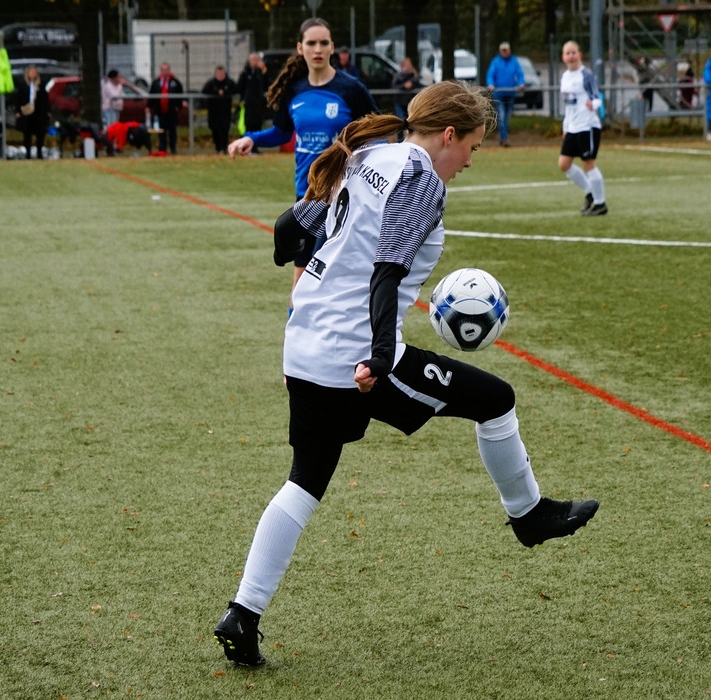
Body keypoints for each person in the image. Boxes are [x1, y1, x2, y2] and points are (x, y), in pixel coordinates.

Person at [212, 81, 600, 667]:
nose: (471, 159)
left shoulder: (368, 154)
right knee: (496, 399)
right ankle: (529, 515)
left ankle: (243, 614)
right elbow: (387, 273)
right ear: (448, 135)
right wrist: (374, 356)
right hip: (358, 355)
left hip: (306, 344)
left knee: (305, 480)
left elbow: (289, 233)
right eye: (472, 145)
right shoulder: (420, 177)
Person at [227, 18, 378, 300]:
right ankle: (296, 339)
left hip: (342, 197)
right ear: (300, 48)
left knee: (327, 281)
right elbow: (282, 132)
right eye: (311, 43)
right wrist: (252, 138)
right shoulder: (294, 90)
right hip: (306, 195)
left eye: (323, 42)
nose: (317, 48)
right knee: (301, 284)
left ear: (332, 47)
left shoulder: (351, 89)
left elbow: (378, 133)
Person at [558, 41, 607, 216]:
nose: (571, 56)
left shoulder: (586, 75)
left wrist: (592, 104)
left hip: (587, 126)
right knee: (564, 164)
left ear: (579, 55)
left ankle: (601, 204)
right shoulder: (564, 77)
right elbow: (569, 107)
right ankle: (590, 193)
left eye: (574, 52)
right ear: (563, 57)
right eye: (567, 53)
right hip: (572, 127)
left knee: (588, 164)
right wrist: (565, 126)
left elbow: (598, 99)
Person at [485, 42, 525, 147]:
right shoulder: (496, 62)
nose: (504, 52)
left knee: (506, 119)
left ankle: (504, 138)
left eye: (506, 50)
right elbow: (490, 75)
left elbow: (519, 73)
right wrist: (490, 84)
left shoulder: (514, 61)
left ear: (509, 50)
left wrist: (521, 83)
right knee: (502, 117)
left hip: (510, 93)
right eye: (503, 50)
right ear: (500, 51)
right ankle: (504, 139)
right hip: (499, 94)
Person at [149, 63, 185, 155]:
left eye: (166, 70)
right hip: (160, 111)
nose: (165, 72)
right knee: (161, 131)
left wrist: (178, 106)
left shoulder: (175, 82)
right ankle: (162, 148)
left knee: (172, 131)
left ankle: (173, 148)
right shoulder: (156, 82)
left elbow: (180, 95)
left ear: (169, 70)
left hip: (172, 111)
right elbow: (151, 95)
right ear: (161, 71)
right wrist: (149, 107)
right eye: (163, 70)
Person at [201, 65, 238, 154]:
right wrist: (216, 93)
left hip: (225, 112)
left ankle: (223, 148)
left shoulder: (229, 82)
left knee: (224, 130)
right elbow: (204, 91)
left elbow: (236, 90)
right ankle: (218, 148)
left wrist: (225, 93)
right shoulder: (211, 83)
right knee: (215, 129)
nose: (221, 75)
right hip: (214, 112)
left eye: (222, 73)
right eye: (219, 73)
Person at [16, 64, 51, 159]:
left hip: (39, 113)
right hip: (27, 112)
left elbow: (45, 99)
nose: (33, 74)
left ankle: (39, 152)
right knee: (27, 133)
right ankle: (28, 153)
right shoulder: (23, 85)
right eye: (31, 72)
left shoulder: (41, 84)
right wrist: (18, 111)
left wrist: (47, 110)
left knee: (40, 133)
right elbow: (19, 98)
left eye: (34, 72)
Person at [236, 52, 268, 152]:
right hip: (249, 105)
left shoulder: (260, 73)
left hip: (259, 104)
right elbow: (239, 87)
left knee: (257, 125)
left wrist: (264, 70)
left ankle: (255, 147)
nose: (255, 62)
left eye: (257, 60)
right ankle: (246, 147)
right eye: (253, 60)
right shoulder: (245, 73)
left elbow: (267, 83)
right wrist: (243, 99)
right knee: (248, 125)